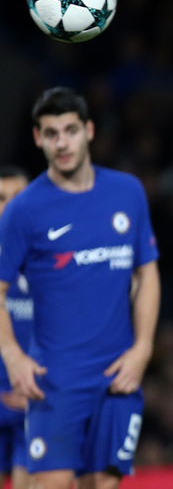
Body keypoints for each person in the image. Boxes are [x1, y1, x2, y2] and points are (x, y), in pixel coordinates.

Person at [0, 87, 160, 489]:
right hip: (56, 378)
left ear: (88, 131)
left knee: (102, 485)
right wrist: (13, 356)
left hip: (116, 373)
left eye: (70, 130)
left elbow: (147, 275)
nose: (62, 142)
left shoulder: (127, 193)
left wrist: (143, 348)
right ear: (38, 138)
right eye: (51, 133)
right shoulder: (24, 210)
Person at [0, 166, 32, 489]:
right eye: (0, 198)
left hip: (35, 400)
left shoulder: (51, 261)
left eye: (18, 197)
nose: (8, 206)